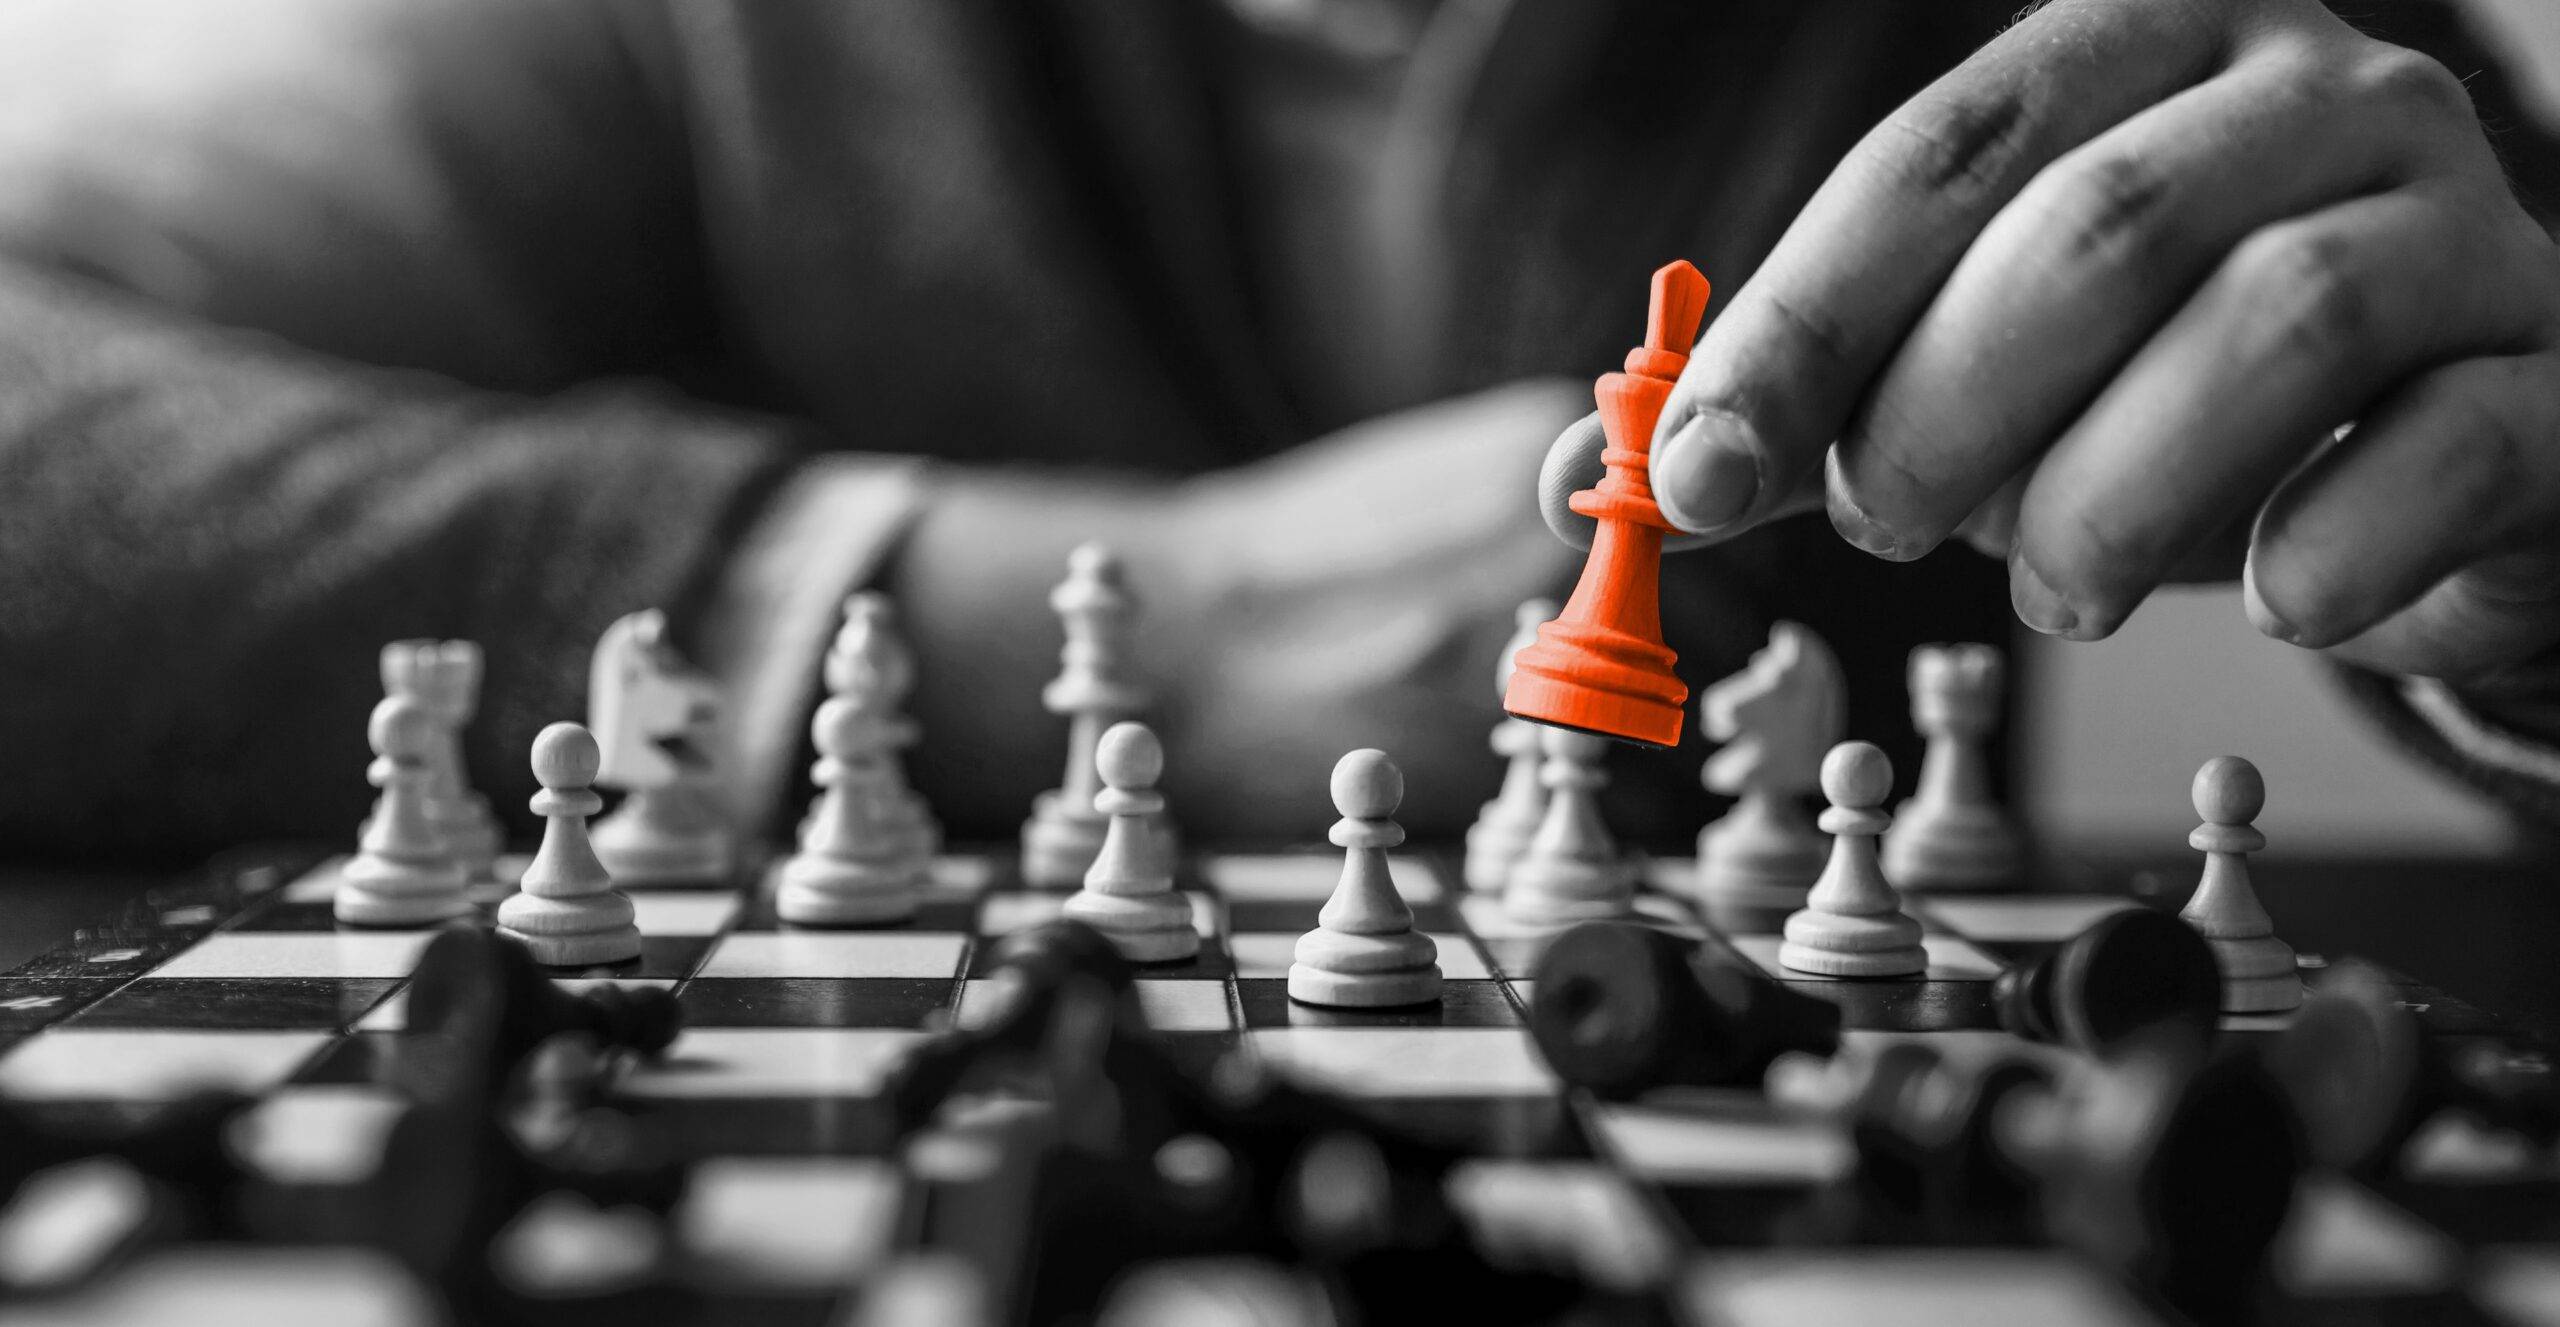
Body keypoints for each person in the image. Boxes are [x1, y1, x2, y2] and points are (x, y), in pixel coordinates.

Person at [0, 0, 2549, 863]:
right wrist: (1077, 632)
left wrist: (2538, 623)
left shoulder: (2149, 20)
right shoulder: (693, 33)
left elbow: (2475, 430)